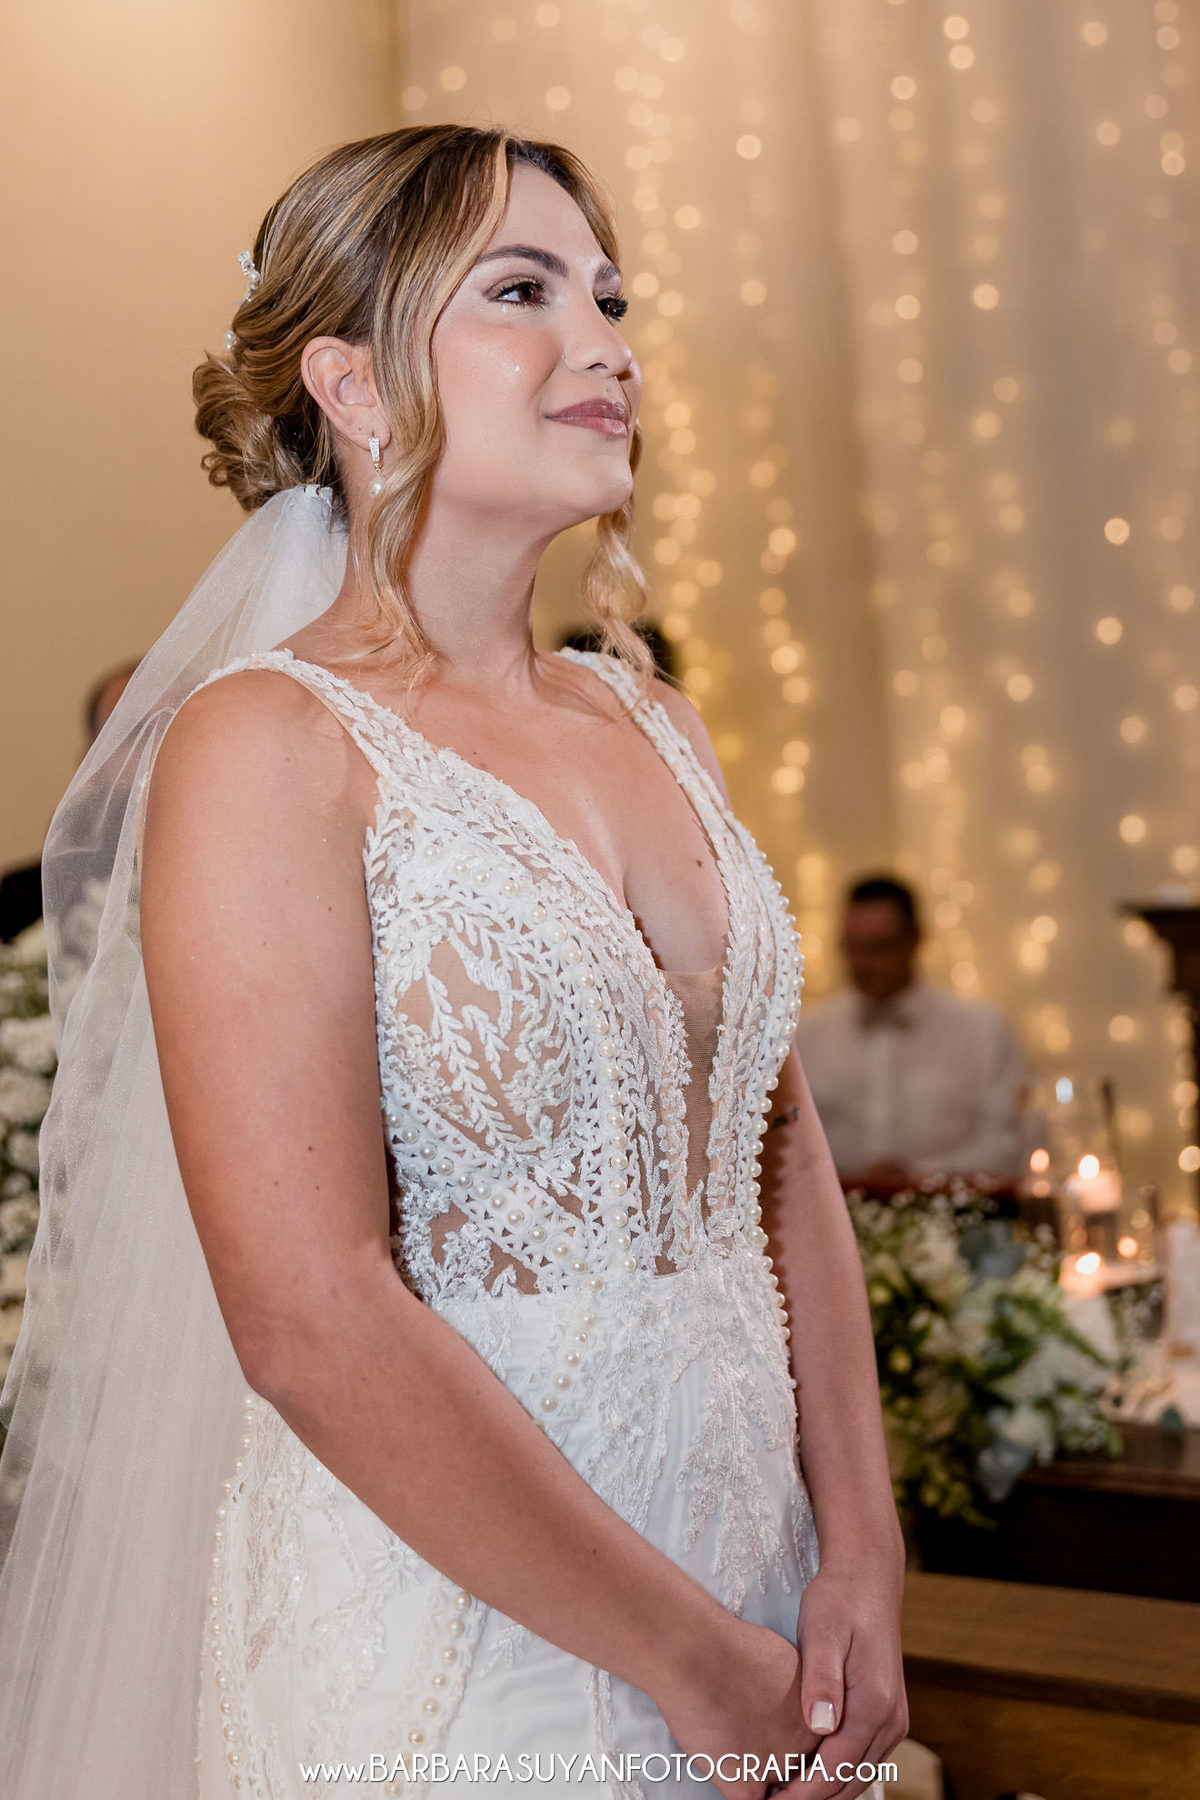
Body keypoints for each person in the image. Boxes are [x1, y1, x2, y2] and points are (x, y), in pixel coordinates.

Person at [0, 128, 905, 1799]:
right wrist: (691, 1663)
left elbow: (776, 1166)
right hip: (461, 1642)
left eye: (611, 298)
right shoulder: (266, 748)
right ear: (352, 382)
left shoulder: (654, 717)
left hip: (757, 1586)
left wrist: (860, 1556)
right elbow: (310, 1316)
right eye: (522, 290)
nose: (606, 342)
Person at [793, 875, 1027, 1193]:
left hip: (956, 1214)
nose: (861, 964)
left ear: (916, 940)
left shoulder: (981, 1031)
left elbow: (1007, 1146)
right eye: (852, 948)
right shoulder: (807, 1035)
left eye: (878, 948)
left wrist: (920, 1178)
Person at [0, 660, 137, 941]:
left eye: (175, 724)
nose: (157, 747)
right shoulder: (22, 900)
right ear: (88, 766)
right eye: (132, 733)